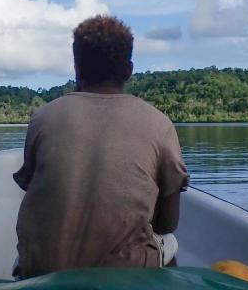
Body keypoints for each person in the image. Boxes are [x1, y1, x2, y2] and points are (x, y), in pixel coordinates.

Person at [13, 15, 189, 279]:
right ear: (128, 70)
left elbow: (35, 189)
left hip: (41, 272)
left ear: (76, 67)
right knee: (170, 243)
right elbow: (168, 223)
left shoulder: (43, 118)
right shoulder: (159, 123)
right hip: (124, 275)